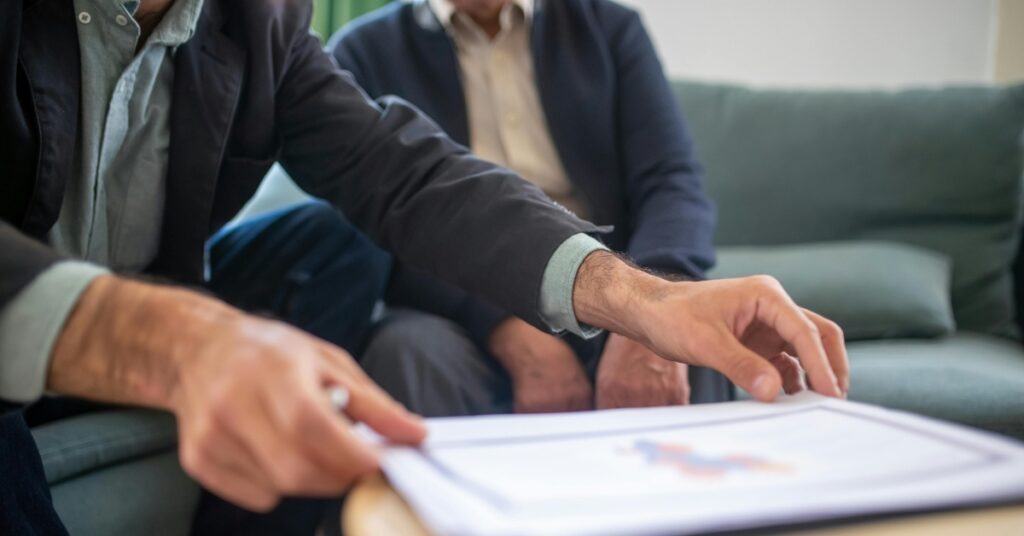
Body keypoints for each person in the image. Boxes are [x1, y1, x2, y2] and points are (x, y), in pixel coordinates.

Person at [1, 0, 848, 534]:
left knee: (331, 242)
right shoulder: (372, 36)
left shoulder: (263, 21)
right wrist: (171, 338)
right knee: (403, 342)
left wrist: (643, 299)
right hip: (20, 330)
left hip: (565, 271)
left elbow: (403, 174)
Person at [330, 0, 730, 415]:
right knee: (407, 351)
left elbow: (671, 183)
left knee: (694, 343)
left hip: (617, 285)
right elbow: (378, 220)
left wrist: (649, 309)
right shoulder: (364, 51)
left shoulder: (609, 27)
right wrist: (504, 327)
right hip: (461, 311)